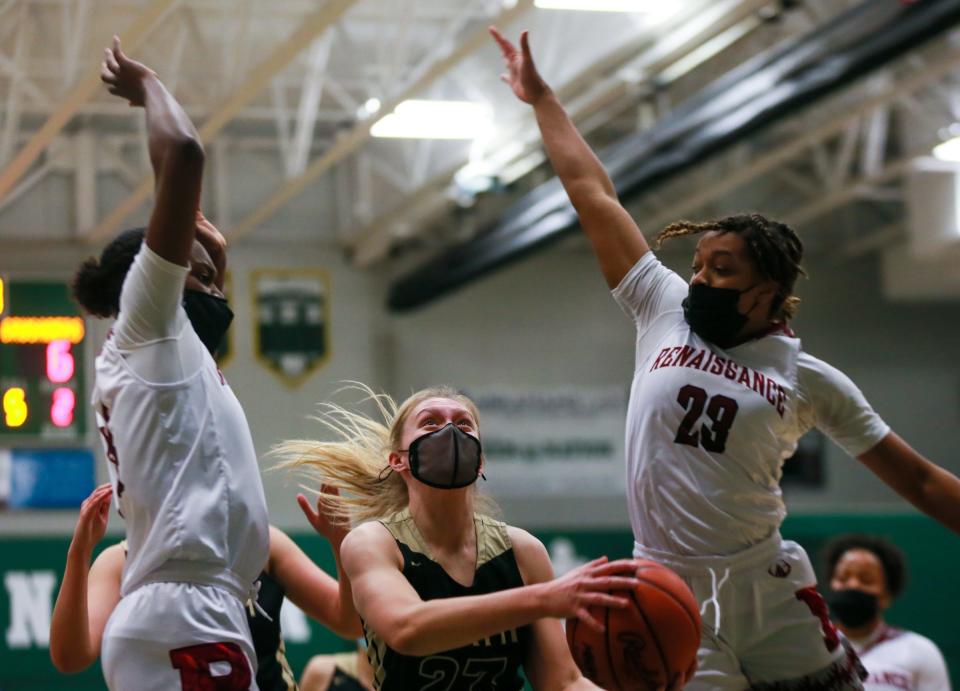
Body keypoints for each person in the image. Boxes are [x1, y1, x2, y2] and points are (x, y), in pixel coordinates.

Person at [491, 26, 960, 690]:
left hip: (767, 582)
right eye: (699, 264)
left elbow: (918, 482)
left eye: (722, 267)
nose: (702, 278)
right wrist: (542, 101)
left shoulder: (807, 378)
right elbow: (593, 192)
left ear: (767, 291)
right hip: (669, 586)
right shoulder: (662, 305)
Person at [70, 37, 269, 689]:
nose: (216, 291)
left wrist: (214, 257)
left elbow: (205, 280)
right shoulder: (146, 324)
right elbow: (184, 154)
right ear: (152, 278)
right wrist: (150, 86)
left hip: (194, 605)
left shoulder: (175, 363)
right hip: (185, 609)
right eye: (202, 275)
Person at [276, 385, 644, 690]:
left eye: (464, 424)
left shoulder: (522, 551)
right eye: (430, 422)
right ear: (397, 460)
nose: (450, 431)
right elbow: (407, 628)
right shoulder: (375, 542)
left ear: (481, 461)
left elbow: (562, 683)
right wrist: (542, 598)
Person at [50, 484, 362, 691]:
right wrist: (79, 553)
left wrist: (340, 544)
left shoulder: (259, 543)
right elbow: (70, 657)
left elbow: (347, 622)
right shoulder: (119, 561)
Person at [825, 534, 951, 690]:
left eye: (866, 580)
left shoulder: (920, 651)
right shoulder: (810, 648)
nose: (853, 585)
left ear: (886, 596)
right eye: (843, 578)